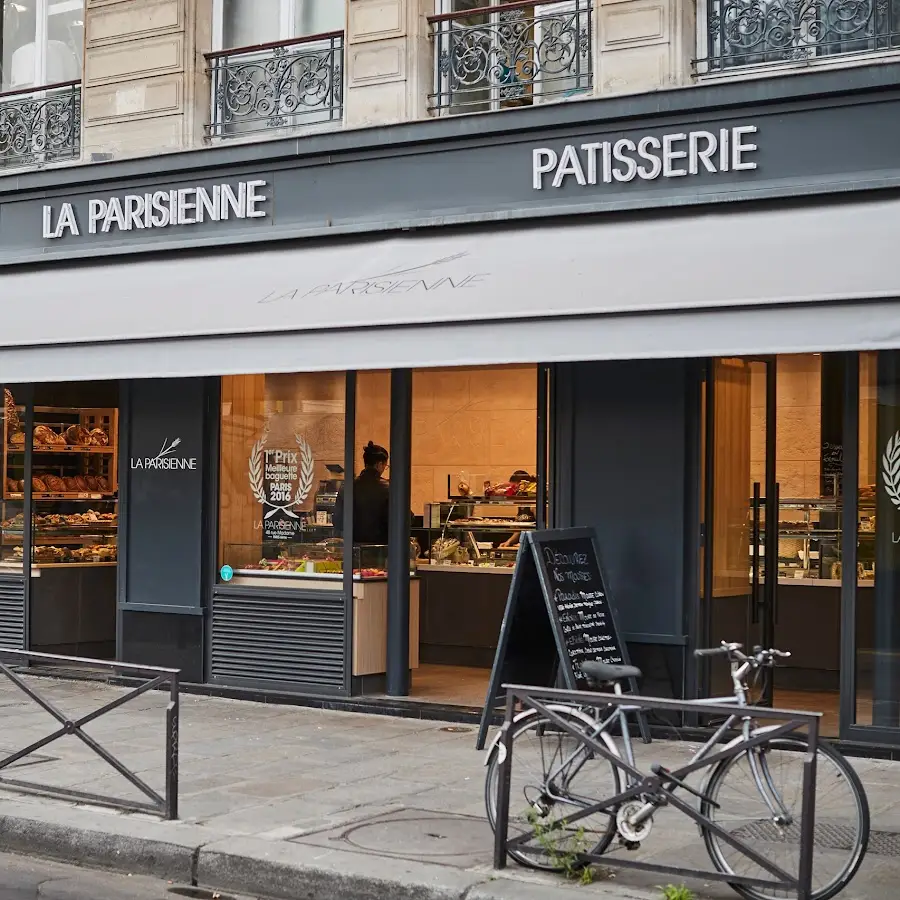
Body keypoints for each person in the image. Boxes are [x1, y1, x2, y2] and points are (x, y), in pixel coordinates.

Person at [333, 441, 390, 545]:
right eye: (385, 466)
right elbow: (406, 518)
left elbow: (338, 521)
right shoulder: (388, 488)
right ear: (379, 464)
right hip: (380, 549)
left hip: (352, 549)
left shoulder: (347, 487)